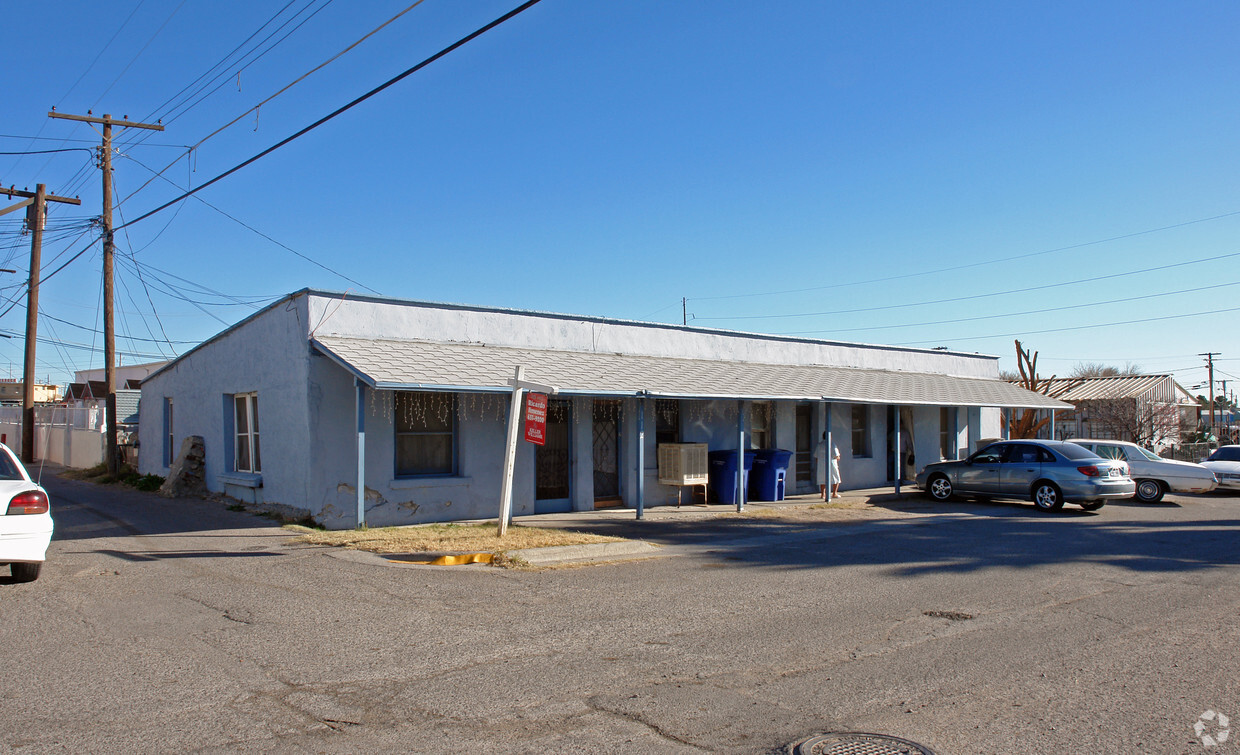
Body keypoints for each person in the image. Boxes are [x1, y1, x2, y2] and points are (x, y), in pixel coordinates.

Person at [814, 432, 843, 500]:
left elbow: (816, 456)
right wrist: (838, 457)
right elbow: (836, 455)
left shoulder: (819, 445)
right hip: (831, 463)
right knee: (836, 478)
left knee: (822, 479)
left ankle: (822, 494)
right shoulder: (832, 444)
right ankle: (834, 493)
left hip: (821, 464)